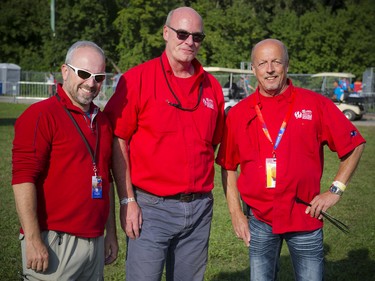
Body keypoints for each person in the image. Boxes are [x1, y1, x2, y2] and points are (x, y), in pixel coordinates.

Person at [216, 39, 365, 281]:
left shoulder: (314, 104)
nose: (270, 69)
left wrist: (335, 190)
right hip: (259, 220)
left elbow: (355, 144)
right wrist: (236, 213)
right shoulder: (239, 113)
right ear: (253, 69)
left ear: (287, 65)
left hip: (305, 216)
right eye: (262, 63)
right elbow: (228, 166)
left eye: (276, 61)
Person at [104, 7, 225, 281]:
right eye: (182, 33)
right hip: (151, 208)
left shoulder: (212, 87)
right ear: (166, 33)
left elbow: (212, 144)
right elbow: (118, 138)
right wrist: (128, 199)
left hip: (199, 210)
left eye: (197, 36)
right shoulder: (137, 79)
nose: (189, 41)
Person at [12, 41, 118, 281]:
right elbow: (22, 179)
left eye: (99, 77)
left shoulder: (101, 121)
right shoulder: (40, 115)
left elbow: (105, 181)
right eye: (84, 74)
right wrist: (32, 239)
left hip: (94, 240)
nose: (91, 83)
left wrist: (110, 234)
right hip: (54, 241)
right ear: (65, 71)